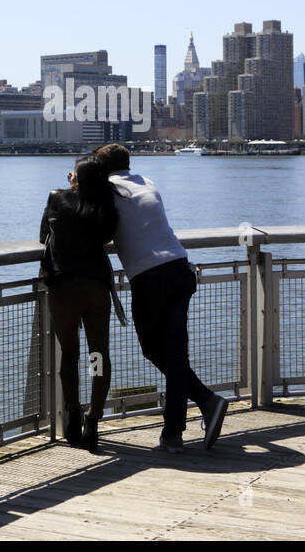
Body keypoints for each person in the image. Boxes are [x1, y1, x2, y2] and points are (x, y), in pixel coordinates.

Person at [92, 143, 227, 453]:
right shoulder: (146, 182)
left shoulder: (108, 190)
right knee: (176, 355)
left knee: (153, 350)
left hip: (150, 277)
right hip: (180, 268)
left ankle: (201, 406)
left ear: (102, 169)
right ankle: (178, 430)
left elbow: (99, 233)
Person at [38, 155, 119, 450]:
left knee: (69, 354)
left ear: (76, 179)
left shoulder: (57, 199)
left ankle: (72, 414)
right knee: (97, 355)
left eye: (72, 174)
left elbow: (43, 236)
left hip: (63, 288)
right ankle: (93, 419)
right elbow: (107, 238)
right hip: (96, 288)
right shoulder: (106, 206)